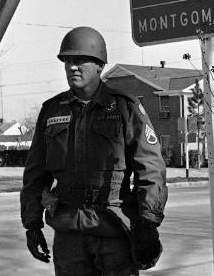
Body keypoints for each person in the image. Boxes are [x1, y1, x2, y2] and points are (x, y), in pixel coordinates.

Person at [20, 26, 168, 276]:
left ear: (99, 65)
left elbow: (150, 168)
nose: (72, 67)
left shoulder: (124, 108)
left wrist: (148, 224)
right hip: (69, 234)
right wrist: (32, 224)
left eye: (79, 61)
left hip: (113, 229)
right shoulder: (53, 110)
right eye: (67, 61)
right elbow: (35, 173)